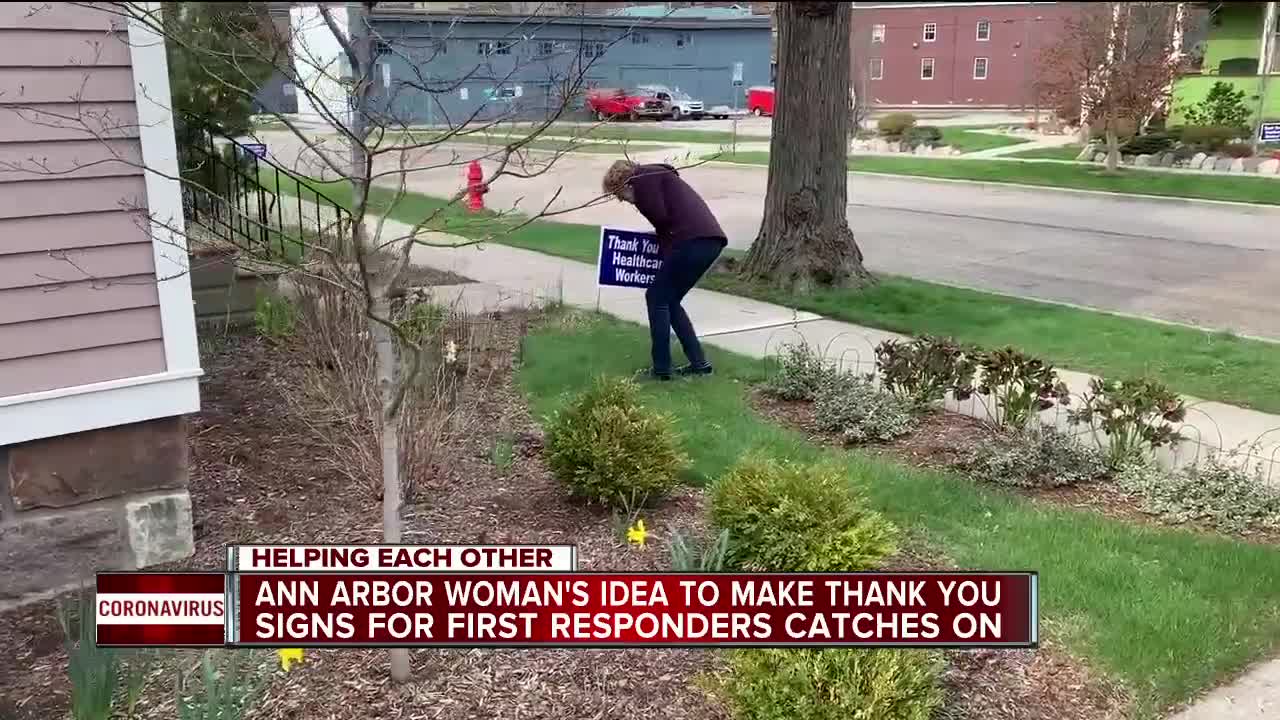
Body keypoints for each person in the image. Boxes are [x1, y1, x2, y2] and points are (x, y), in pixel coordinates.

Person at [602, 160, 727, 381]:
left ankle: (661, 370)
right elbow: (665, 221)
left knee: (656, 297)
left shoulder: (643, 180)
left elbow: (660, 217)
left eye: (619, 194)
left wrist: (661, 242)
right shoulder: (655, 177)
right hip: (709, 241)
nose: (622, 200)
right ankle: (700, 365)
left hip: (693, 241)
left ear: (625, 182)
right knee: (669, 300)